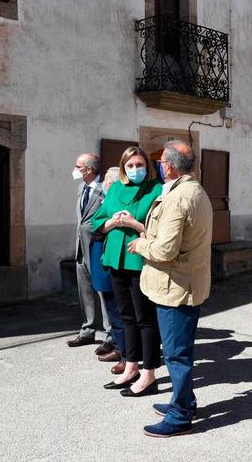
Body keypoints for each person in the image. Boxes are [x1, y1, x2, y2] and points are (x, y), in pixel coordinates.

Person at [128, 140, 213, 437]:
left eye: (162, 161)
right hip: (186, 283)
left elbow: (165, 250)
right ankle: (185, 400)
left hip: (175, 287)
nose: (159, 165)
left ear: (170, 166)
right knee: (182, 350)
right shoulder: (193, 190)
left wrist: (141, 245)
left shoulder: (178, 197)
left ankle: (179, 416)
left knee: (177, 354)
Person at [91, 147, 162, 396]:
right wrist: (112, 222)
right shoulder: (116, 189)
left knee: (145, 317)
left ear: (147, 166)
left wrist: (133, 223)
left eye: (139, 165)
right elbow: (97, 221)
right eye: (130, 166)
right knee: (125, 316)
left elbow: (161, 229)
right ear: (123, 168)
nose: (134, 170)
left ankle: (149, 373)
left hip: (139, 259)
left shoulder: (156, 190)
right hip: (115, 258)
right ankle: (131, 367)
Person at [67, 153, 113, 356]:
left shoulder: (105, 190)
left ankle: (111, 334)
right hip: (81, 248)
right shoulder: (81, 188)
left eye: (78, 166)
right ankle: (88, 330)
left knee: (103, 292)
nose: (75, 170)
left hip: (97, 248)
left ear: (89, 169)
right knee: (84, 290)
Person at [89, 167, 126, 373]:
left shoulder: (118, 200)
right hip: (99, 253)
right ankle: (120, 347)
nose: (107, 186)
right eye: (107, 183)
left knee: (120, 310)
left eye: (111, 182)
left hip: (112, 257)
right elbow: (96, 224)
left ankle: (126, 352)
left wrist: (107, 224)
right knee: (111, 306)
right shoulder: (106, 199)